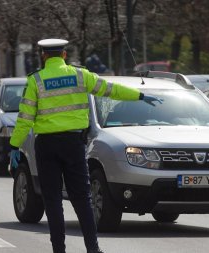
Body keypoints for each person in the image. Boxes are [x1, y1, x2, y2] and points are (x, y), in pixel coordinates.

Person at [9, 38, 162, 253]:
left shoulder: (36, 80)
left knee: (52, 200)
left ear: (43, 56)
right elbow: (110, 89)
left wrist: (15, 146)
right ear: (64, 55)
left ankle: (59, 250)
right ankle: (93, 248)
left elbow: (25, 118)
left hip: (47, 146)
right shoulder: (80, 75)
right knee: (82, 198)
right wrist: (139, 95)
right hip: (73, 144)